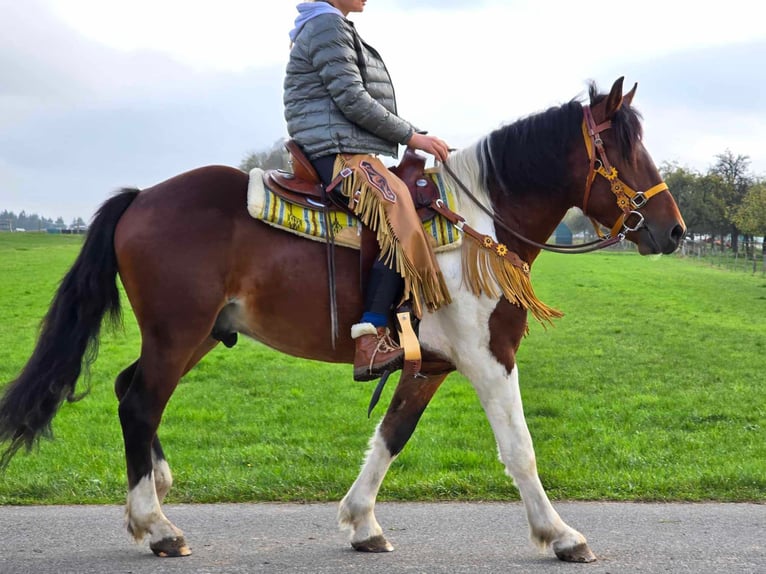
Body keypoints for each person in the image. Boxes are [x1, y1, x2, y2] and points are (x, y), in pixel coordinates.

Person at [284, 0, 451, 381]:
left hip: (341, 143)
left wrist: (409, 133)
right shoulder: (328, 26)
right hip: (336, 150)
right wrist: (413, 136)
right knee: (399, 214)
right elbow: (353, 99)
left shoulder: (330, 24)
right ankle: (371, 335)